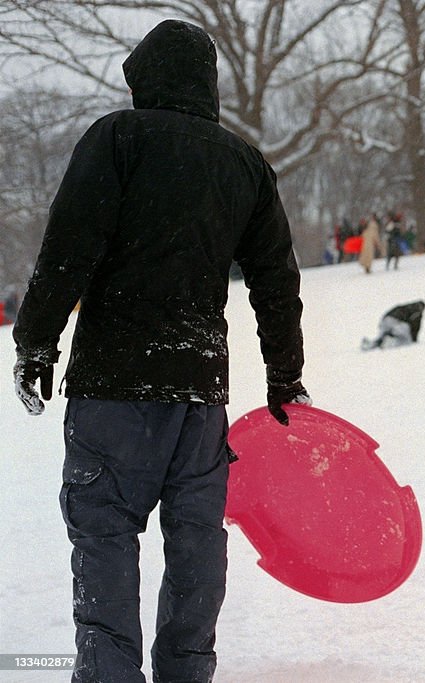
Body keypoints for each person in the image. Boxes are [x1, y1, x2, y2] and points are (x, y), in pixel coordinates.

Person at [11, 20, 307, 683]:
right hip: (200, 396)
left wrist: (36, 341)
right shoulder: (245, 163)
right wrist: (285, 375)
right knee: (197, 538)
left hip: (115, 385)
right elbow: (276, 281)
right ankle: (186, 671)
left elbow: (68, 247)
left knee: (106, 535)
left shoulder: (119, 138)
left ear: (145, 79)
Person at [361, 301, 425, 350]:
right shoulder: (417, 311)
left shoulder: (404, 306)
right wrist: (414, 339)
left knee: (382, 336)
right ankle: (389, 342)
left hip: (385, 321)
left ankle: (371, 344)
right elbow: (416, 326)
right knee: (406, 340)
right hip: (395, 322)